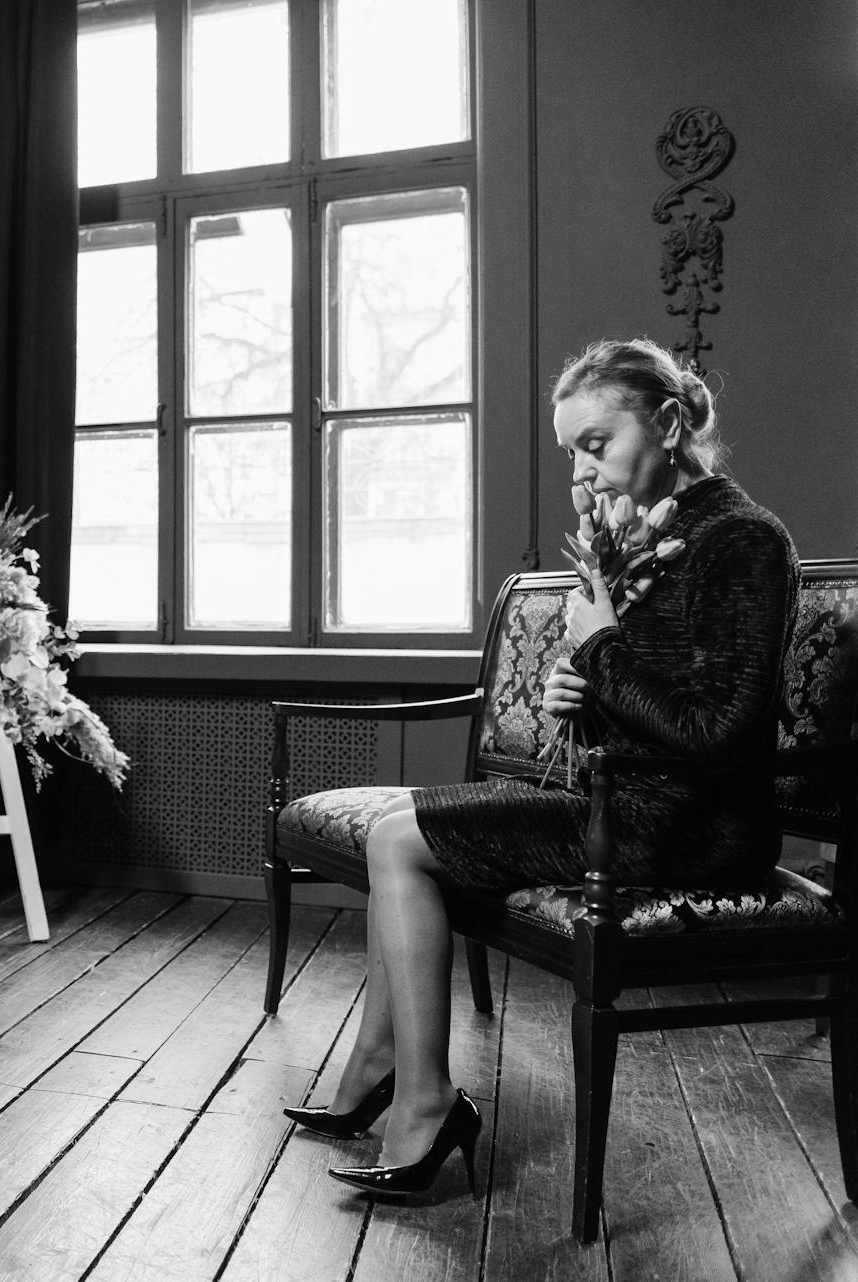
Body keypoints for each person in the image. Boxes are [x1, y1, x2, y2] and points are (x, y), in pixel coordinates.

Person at [282, 336, 800, 1196]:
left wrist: (600, 650)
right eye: (573, 453)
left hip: (689, 828)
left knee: (399, 842)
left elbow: (719, 734)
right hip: (625, 806)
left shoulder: (740, 537)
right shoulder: (649, 535)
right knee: (398, 836)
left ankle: (421, 1100)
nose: (585, 472)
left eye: (597, 444)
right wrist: (584, 690)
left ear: (668, 423)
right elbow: (656, 702)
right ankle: (384, 1068)